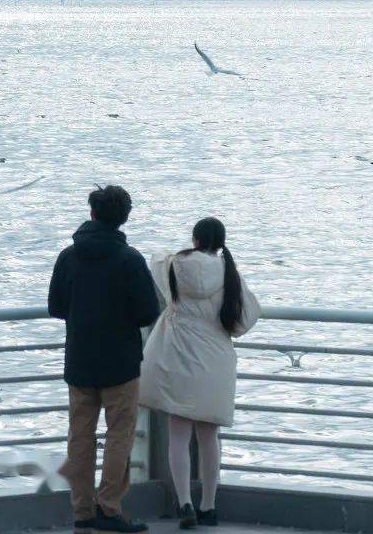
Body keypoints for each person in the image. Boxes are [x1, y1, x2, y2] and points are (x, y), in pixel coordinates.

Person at [48, 184, 161, 534]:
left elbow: (55, 306)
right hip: (121, 364)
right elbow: (146, 312)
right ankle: (109, 508)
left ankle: (82, 511)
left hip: (80, 361)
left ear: (92, 213)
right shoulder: (130, 260)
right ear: (123, 218)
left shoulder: (69, 256)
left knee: (79, 438)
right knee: (119, 437)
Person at [139, 217, 260, 529]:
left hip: (178, 357)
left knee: (178, 436)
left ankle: (184, 503)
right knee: (210, 437)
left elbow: (155, 259)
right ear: (221, 243)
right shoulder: (230, 273)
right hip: (216, 361)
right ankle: (209, 505)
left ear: (194, 239)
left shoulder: (175, 266)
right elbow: (247, 318)